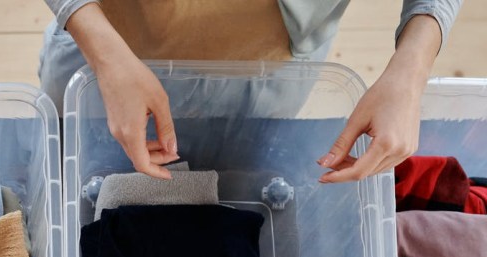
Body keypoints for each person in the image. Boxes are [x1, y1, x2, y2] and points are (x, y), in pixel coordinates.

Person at [39, 1, 462, 183]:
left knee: (235, 185)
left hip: (270, 76)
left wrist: (411, 71)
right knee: (70, 177)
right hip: (102, 51)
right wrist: (105, 55)